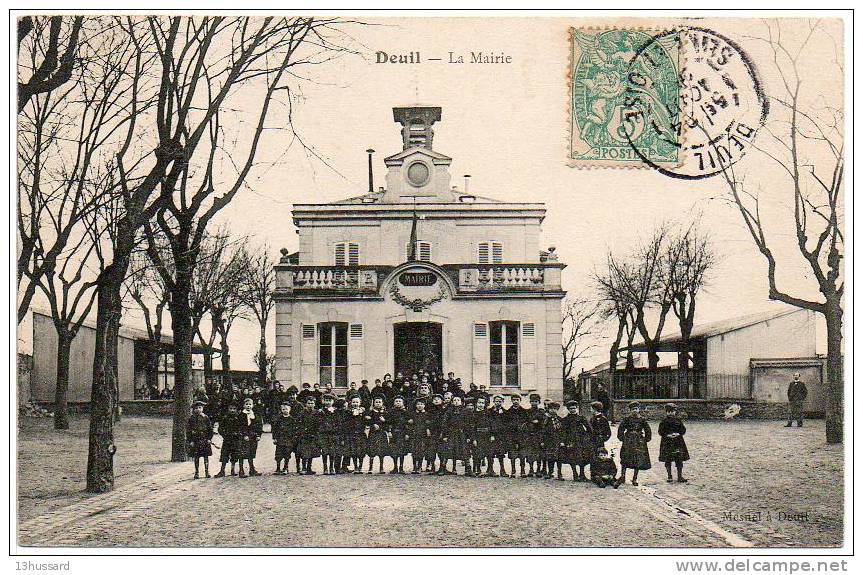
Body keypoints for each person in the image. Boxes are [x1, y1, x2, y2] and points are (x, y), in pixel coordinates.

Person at [616, 401, 652, 487]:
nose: (634, 411)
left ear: (639, 409)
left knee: (637, 459)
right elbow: (621, 429)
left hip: (639, 441)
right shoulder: (627, 419)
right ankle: (623, 476)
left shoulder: (642, 420)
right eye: (633, 409)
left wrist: (646, 439)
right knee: (625, 457)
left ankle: (635, 478)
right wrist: (622, 438)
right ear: (630, 410)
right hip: (628, 440)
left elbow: (648, 430)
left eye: (636, 409)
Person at [561, 400, 593, 482]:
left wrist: (587, 437)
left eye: (574, 408)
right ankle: (575, 474)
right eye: (571, 408)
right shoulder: (565, 419)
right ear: (568, 409)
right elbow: (563, 431)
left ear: (577, 408)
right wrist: (564, 441)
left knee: (582, 457)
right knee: (572, 457)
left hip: (581, 440)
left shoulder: (581, 418)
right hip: (571, 440)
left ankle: (582, 474)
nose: (573, 410)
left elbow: (589, 429)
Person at [658, 403, 690, 483]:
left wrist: (678, 434)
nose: (671, 413)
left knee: (679, 459)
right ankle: (669, 476)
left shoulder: (678, 421)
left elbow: (683, 430)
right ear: (666, 412)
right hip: (667, 442)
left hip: (678, 442)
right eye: (669, 411)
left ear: (675, 412)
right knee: (668, 459)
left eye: (672, 411)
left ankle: (680, 476)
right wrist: (667, 435)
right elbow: (660, 431)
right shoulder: (664, 421)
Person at [469, 396, 496, 477]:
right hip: (478, 436)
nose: (481, 404)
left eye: (482, 403)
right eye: (479, 403)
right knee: (477, 453)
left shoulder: (488, 413)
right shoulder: (473, 414)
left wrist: (492, 435)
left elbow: (491, 425)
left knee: (490, 453)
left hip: (487, 435)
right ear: (476, 403)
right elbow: (471, 427)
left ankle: (490, 470)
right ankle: (478, 470)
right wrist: (473, 439)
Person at [236, 397, 263, 478]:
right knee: (242, 453)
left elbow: (258, 426)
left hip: (253, 436)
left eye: (250, 404)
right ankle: (241, 470)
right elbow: (240, 426)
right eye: (246, 404)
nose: (248, 406)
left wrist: (258, 435)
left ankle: (252, 469)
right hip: (244, 436)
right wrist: (244, 435)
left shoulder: (254, 414)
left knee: (251, 453)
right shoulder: (241, 415)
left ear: (252, 405)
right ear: (244, 405)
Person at [187, 400, 214, 479]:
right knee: (196, 457)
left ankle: (207, 471)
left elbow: (210, 429)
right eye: (196, 408)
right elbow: (188, 431)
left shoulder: (206, 418)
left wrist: (209, 438)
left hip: (205, 440)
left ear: (203, 408)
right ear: (194, 409)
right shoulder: (192, 418)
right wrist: (191, 440)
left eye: (200, 407)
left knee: (206, 457)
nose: (198, 409)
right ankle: (197, 472)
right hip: (196, 440)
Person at [272, 400, 300, 475]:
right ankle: (278, 468)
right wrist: (274, 438)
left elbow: (295, 430)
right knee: (278, 454)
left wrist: (293, 439)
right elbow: (275, 429)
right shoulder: (278, 419)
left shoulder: (292, 420)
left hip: (289, 440)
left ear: (290, 409)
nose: (285, 411)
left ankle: (285, 467)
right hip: (280, 439)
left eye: (286, 409)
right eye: (283, 409)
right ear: (281, 410)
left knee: (287, 454)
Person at [504, 394, 528, 478]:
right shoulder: (507, 412)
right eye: (514, 399)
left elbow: (527, 425)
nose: (515, 401)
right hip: (512, 437)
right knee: (512, 455)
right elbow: (506, 426)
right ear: (511, 400)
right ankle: (513, 470)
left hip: (522, 437)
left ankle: (522, 470)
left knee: (522, 455)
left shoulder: (524, 412)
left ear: (520, 400)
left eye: (517, 399)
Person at [296, 396, 321, 475]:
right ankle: (303, 468)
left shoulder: (317, 413)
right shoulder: (302, 413)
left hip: (313, 435)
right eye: (309, 403)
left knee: (311, 452)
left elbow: (318, 423)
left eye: (312, 403)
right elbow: (299, 423)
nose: (310, 405)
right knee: (304, 452)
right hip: (304, 435)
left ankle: (309, 468)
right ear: (305, 404)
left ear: (315, 404)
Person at [523, 393, 546, 477]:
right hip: (529, 435)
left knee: (539, 453)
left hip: (538, 435)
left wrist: (538, 422)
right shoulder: (527, 412)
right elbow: (525, 423)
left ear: (539, 402)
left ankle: (538, 470)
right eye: (532, 401)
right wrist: (531, 422)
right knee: (530, 453)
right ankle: (531, 469)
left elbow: (543, 424)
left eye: (536, 401)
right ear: (530, 402)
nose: (534, 403)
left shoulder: (541, 412)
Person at [214, 402, 239, 477]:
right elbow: (220, 428)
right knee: (224, 455)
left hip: (235, 439)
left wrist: (237, 434)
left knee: (234, 455)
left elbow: (241, 428)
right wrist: (224, 435)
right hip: (227, 439)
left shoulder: (238, 418)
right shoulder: (225, 418)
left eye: (234, 409)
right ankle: (222, 470)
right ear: (228, 409)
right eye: (230, 409)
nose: (232, 410)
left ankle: (232, 470)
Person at [365, 396, 388, 474]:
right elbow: (367, 422)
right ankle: (370, 467)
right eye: (376, 402)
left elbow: (389, 423)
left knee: (381, 450)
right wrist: (372, 424)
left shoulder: (384, 413)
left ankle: (381, 467)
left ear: (382, 403)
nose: (378, 404)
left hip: (381, 433)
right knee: (372, 450)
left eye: (379, 402)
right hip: (373, 433)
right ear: (373, 403)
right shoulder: (371, 412)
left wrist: (384, 421)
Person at [541, 402, 564, 480]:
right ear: (548, 409)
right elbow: (543, 431)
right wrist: (542, 441)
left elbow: (563, 432)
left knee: (559, 458)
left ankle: (559, 473)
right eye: (551, 409)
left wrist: (562, 441)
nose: (553, 410)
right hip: (549, 441)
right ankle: (550, 472)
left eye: (555, 409)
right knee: (550, 457)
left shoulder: (560, 419)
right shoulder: (546, 420)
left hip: (558, 441)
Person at [409, 397, 432, 474]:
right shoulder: (413, 414)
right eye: (418, 404)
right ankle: (414, 466)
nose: (420, 406)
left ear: (424, 405)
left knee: (421, 450)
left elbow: (428, 423)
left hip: (423, 434)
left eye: (422, 404)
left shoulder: (427, 414)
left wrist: (428, 429)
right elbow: (409, 424)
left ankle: (419, 466)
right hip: (414, 434)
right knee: (414, 450)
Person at [318, 394, 341, 475]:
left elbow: (338, 423)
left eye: (329, 400)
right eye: (326, 400)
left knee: (332, 451)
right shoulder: (321, 411)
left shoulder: (336, 412)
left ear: (333, 401)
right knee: (324, 451)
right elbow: (319, 423)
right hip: (324, 434)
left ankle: (331, 467)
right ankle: (325, 467)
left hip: (333, 434)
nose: (327, 402)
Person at [388, 396, 410, 474]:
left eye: (399, 401)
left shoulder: (405, 412)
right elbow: (389, 422)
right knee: (394, 451)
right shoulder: (391, 412)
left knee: (401, 451)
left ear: (403, 403)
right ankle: (395, 467)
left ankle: (401, 467)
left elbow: (408, 424)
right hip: (394, 434)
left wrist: (407, 433)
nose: (398, 403)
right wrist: (389, 431)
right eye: (396, 401)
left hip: (402, 433)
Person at [346, 397, 367, 474]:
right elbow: (347, 422)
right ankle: (356, 467)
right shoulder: (348, 412)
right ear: (351, 403)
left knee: (361, 450)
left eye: (357, 402)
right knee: (353, 451)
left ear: (360, 403)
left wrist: (362, 415)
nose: (355, 404)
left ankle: (360, 466)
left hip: (361, 433)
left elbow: (366, 421)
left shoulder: (363, 412)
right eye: (354, 402)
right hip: (352, 433)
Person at [488, 395, 508, 477]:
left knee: (501, 453)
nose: (498, 403)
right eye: (496, 401)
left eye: (500, 401)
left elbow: (506, 424)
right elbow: (488, 424)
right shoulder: (489, 411)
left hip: (501, 436)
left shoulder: (505, 412)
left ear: (502, 402)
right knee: (490, 453)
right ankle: (490, 470)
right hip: (492, 436)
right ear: (493, 402)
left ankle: (502, 470)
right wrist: (491, 434)